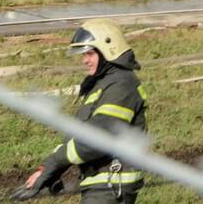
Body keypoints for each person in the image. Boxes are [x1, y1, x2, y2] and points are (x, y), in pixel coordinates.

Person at [10, 18, 147, 202]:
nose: (85, 60)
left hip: (111, 185)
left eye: (90, 54)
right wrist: (48, 171)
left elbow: (95, 138)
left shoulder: (121, 86)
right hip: (101, 184)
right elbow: (78, 138)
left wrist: (54, 165)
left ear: (108, 50)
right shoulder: (102, 85)